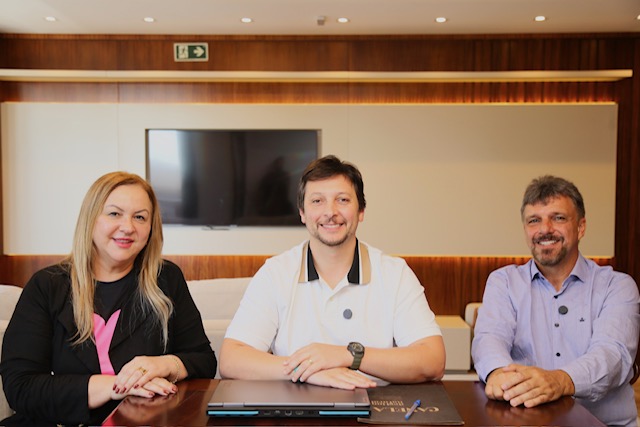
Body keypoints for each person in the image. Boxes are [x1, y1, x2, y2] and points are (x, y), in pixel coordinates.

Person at [0, 172, 217, 426]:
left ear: (151, 228)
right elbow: (20, 387)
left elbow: (204, 360)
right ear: (90, 219)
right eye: (114, 213)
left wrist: (166, 364)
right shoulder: (47, 285)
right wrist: (119, 386)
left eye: (140, 217)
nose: (128, 227)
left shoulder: (166, 278)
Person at [219, 155, 445, 389]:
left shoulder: (394, 274)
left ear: (361, 211)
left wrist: (348, 355)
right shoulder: (275, 273)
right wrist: (305, 371)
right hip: (295, 406)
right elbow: (231, 359)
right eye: (317, 201)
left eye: (342, 200)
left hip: (374, 403)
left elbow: (433, 360)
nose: (330, 212)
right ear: (302, 213)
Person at [471, 175, 640, 427]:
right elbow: (489, 338)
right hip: (527, 423)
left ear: (581, 227)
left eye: (558, 218)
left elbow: (612, 355)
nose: (545, 229)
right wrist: (498, 373)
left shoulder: (617, 286)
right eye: (534, 220)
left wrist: (559, 381)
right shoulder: (503, 282)